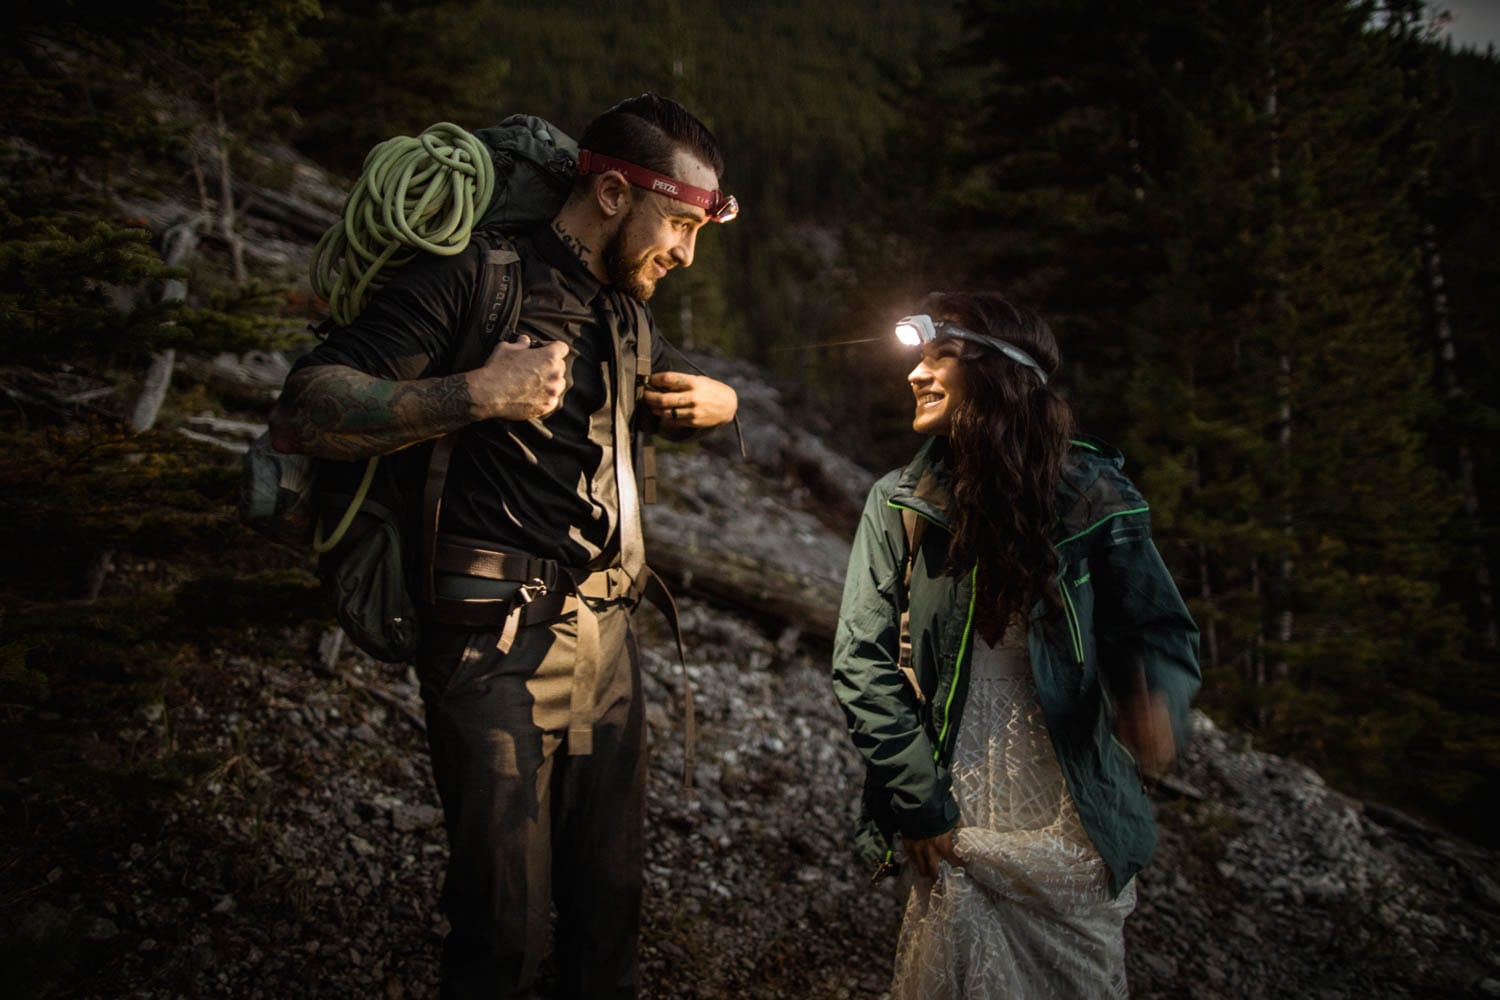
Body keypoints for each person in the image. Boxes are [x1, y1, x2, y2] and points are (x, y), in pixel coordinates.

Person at [269, 94, 739, 1000]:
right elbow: (305, 407)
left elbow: (650, 400)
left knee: (609, 910)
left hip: (610, 643)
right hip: (490, 640)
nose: (685, 252)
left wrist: (723, 409)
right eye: (678, 224)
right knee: (502, 928)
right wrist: (472, 396)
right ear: (610, 194)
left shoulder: (627, 311)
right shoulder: (475, 280)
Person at [830, 292, 1200, 998]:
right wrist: (918, 801)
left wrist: (1159, 700)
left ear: (1001, 372)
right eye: (917, 357)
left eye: (941, 355)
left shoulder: (1094, 495)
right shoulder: (898, 501)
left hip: (1071, 803)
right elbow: (861, 660)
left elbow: (1156, 628)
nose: (916, 373)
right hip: (953, 796)